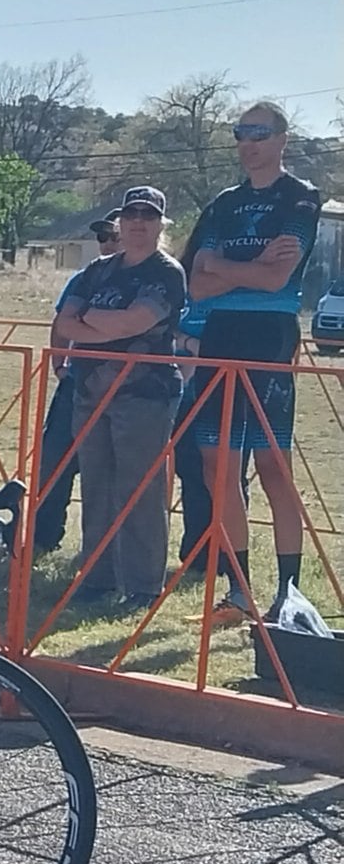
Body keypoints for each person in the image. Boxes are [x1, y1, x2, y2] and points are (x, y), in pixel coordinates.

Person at [179, 101, 320, 621]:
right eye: (241, 132)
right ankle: (239, 592)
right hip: (221, 332)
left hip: (269, 334)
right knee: (217, 465)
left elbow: (276, 279)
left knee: (272, 466)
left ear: (282, 138)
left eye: (259, 132)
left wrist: (225, 267)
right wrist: (249, 265)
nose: (248, 142)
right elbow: (196, 282)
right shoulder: (224, 203)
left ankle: (288, 592)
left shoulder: (299, 197)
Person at [55, 186, 187, 607]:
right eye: (130, 215)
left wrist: (91, 318)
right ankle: (97, 578)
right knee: (96, 484)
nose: (137, 223)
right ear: (120, 222)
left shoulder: (166, 272)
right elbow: (64, 324)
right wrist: (103, 326)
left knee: (139, 489)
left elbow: (135, 323)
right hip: (90, 390)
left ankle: (144, 586)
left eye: (148, 216)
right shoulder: (98, 269)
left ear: (160, 224)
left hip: (145, 394)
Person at [34, 212, 121, 553]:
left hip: (123, 388)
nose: (107, 243)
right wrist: (59, 365)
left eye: (114, 236)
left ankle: (101, 550)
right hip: (77, 381)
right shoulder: (85, 277)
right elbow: (61, 322)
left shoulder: (152, 276)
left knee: (107, 471)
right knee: (53, 461)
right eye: (102, 237)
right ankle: (42, 535)